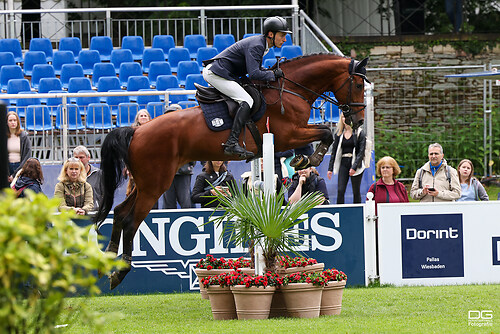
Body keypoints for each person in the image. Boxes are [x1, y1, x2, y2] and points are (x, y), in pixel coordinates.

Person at [202, 16, 290, 159]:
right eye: (282, 35)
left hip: (226, 73)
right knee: (246, 100)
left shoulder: (263, 45)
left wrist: (270, 74)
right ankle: (231, 143)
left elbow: (256, 69)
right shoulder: (257, 45)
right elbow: (254, 73)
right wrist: (273, 74)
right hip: (216, 74)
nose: (285, 39)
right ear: (271, 34)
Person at [327, 113, 366, 204]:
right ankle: (340, 212)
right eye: (343, 116)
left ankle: (357, 211)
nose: (346, 118)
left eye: (347, 116)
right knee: (340, 190)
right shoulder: (339, 134)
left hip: (356, 162)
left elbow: (361, 152)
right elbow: (334, 152)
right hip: (343, 162)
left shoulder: (359, 133)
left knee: (356, 191)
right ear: (341, 119)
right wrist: (330, 168)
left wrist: (354, 167)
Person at [6, 111, 32, 183]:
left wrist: (15, 175)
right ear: (7, 123)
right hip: (7, 168)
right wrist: (7, 174)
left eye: (15, 120)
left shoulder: (24, 136)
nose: (13, 122)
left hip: (20, 168)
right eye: (10, 120)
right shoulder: (3, 137)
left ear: (18, 122)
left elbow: (27, 155)